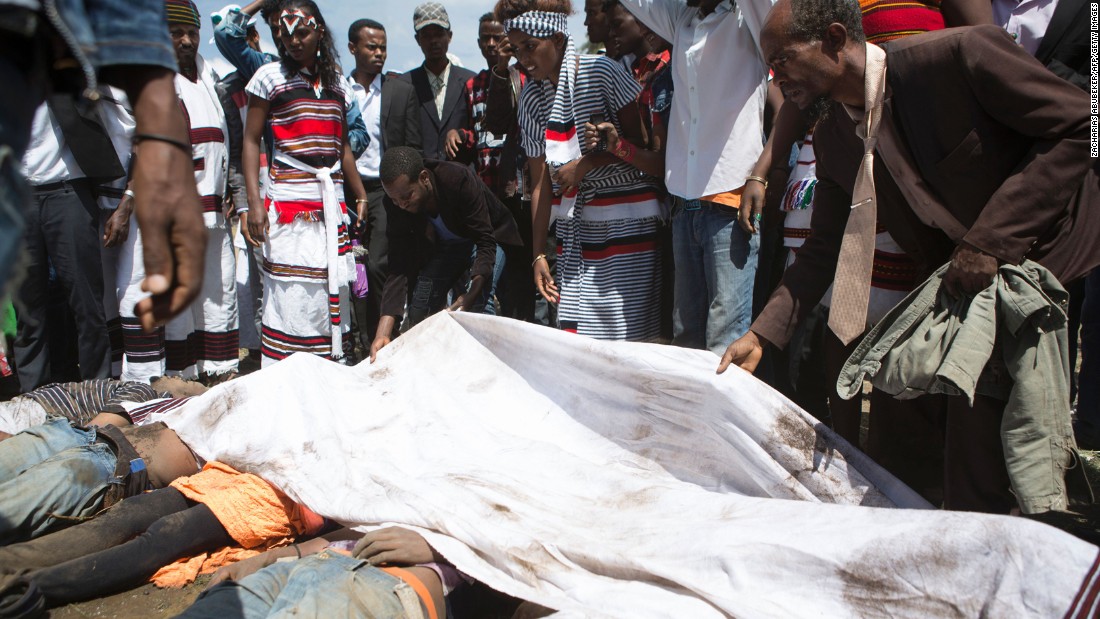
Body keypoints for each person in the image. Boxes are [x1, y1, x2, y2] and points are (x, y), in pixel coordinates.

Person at [719, 0, 1098, 513]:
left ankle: (1023, 546)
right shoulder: (834, 135)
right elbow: (824, 247)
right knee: (945, 417)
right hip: (966, 272)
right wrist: (762, 334)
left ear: (834, 39)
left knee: (992, 419)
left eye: (783, 58)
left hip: (1051, 242)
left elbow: (1080, 125)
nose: (774, 75)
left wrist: (990, 241)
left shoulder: (958, 57)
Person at [0, 0, 206, 332]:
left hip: (81, 195)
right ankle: (37, 383)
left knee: (92, 298)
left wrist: (126, 199)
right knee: (32, 306)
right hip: (30, 199)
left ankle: (102, 380)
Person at [499, 0, 666, 342]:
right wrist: (538, 255)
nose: (523, 59)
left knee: (627, 336)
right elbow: (540, 182)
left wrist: (587, 163)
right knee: (581, 340)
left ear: (558, 39)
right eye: (517, 49)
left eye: (530, 46)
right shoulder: (531, 97)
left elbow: (642, 145)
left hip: (630, 218)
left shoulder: (601, 70)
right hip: (578, 226)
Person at [618, 0, 773, 356]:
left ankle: (722, 413)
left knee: (725, 339)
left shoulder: (748, 17)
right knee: (686, 338)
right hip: (684, 203)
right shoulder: (682, 19)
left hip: (731, 202)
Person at [0, 461, 325, 611]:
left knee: (166, 536)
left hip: (284, 498)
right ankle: (7, 563)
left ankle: (26, 589)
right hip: (239, 471)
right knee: (124, 516)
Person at [118, 0, 241, 384]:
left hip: (213, 213)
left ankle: (209, 374)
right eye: (176, 33)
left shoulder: (211, 81)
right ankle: (157, 383)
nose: (186, 41)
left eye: (192, 33)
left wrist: (231, 187)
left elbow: (227, 143)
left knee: (214, 292)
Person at [242, 0, 369, 365]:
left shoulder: (338, 84)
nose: (294, 41)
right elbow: (251, 141)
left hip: (331, 201)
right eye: (286, 34)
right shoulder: (268, 77)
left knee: (329, 286)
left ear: (319, 32)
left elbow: (341, 144)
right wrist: (255, 203)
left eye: (303, 32)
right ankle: (287, 373)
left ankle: (325, 372)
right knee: (290, 289)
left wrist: (359, 192)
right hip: (288, 203)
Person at [370, 147, 522, 361]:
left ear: (424, 178)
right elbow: (399, 264)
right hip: (448, 248)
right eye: (395, 200)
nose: (401, 204)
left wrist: (471, 292)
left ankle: (487, 365)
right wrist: (383, 333)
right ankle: (434, 365)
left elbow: (485, 241)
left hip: (489, 239)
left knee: (477, 305)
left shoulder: (457, 178)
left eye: (407, 196)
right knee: (420, 307)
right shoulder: (396, 200)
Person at [13, 97, 119, 391]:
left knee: (86, 302)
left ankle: (96, 390)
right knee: (27, 308)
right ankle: (33, 398)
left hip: (68, 191)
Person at [345, 18, 422, 353]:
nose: (379, 53)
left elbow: (413, 146)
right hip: (342, 188)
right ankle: (351, 342)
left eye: (383, 48)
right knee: (346, 268)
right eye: (371, 47)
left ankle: (380, 339)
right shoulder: (338, 89)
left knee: (376, 264)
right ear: (353, 48)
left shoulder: (400, 90)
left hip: (382, 192)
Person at [179, 527, 461, 619]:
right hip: (296, 568)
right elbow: (354, 528)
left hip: (380, 581)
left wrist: (440, 547)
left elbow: (505, 555)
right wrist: (269, 557)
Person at [0, 414, 200, 544]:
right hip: (75, 434)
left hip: (112, 463)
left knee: (7, 511)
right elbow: (130, 394)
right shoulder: (155, 396)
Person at [402, 3, 477, 162]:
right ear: (417, 39)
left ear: (449, 36)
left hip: (461, 178)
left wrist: (461, 135)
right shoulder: (405, 85)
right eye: (427, 35)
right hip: (422, 179)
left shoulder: (470, 81)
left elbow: (478, 132)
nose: (434, 41)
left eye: (438, 34)